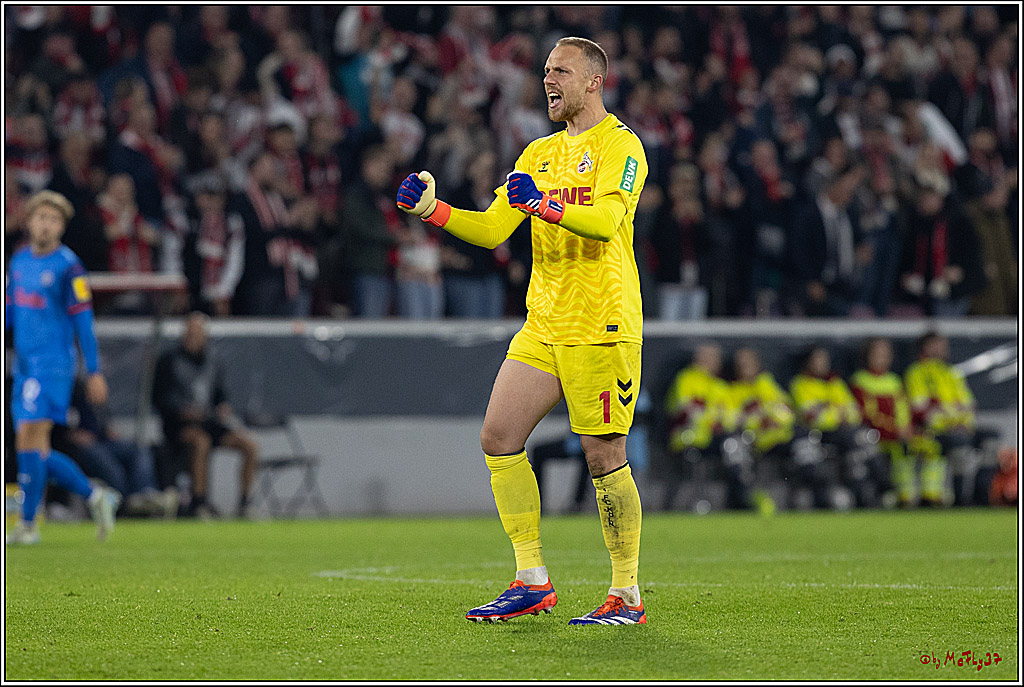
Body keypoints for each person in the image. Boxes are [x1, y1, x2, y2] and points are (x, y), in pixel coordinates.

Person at [397, 37, 649, 625]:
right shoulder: (536, 153)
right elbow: (491, 230)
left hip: (601, 323)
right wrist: (433, 211)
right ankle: (532, 579)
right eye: (544, 72)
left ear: (594, 80)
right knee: (498, 436)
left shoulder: (623, 146)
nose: (548, 80)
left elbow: (609, 220)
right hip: (545, 322)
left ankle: (626, 594)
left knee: (604, 452)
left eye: (561, 70)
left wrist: (548, 207)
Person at [5, 190, 121, 545]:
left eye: (53, 220)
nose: (46, 225)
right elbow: (11, 313)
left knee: (28, 437)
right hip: (25, 365)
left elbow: (84, 323)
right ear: (29, 221)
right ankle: (96, 496)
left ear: (61, 227)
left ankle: (27, 525)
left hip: (53, 365)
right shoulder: (19, 261)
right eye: (41, 217)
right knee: (35, 449)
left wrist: (95, 370)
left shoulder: (69, 267)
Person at [151, 312, 259, 519]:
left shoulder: (214, 360)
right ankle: (199, 502)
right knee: (201, 442)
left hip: (210, 422)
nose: (191, 337)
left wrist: (223, 407)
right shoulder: (168, 361)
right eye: (188, 333)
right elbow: (159, 399)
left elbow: (220, 395)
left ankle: (245, 503)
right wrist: (182, 411)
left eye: (196, 333)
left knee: (250, 445)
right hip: (179, 426)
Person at [61, 377, 178, 518]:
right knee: (109, 465)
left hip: (105, 442)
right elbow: (57, 429)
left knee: (138, 450)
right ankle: (124, 502)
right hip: (83, 447)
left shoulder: (97, 396)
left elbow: (103, 423)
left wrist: (109, 431)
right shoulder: (66, 392)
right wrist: (73, 435)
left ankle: (144, 494)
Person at [789, 346, 887, 508]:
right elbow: (811, 418)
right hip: (817, 435)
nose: (822, 363)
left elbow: (854, 413)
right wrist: (837, 413)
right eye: (818, 359)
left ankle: (878, 489)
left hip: (843, 435)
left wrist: (829, 411)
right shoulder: (800, 384)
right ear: (808, 362)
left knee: (863, 441)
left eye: (825, 359)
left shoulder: (835, 383)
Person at [903, 331, 985, 507]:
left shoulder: (951, 373)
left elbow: (970, 405)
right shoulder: (916, 372)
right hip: (932, 431)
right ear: (927, 346)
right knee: (960, 443)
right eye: (939, 344)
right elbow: (922, 410)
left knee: (990, 439)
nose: (944, 348)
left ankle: (984, 495)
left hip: (961, 428)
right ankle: (961, 500)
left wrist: (956, 417)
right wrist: (953, 416)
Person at [661, 343, 734, 510]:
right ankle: (680, 504)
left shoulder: (719, 385)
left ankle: (738, 499)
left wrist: (716, 418)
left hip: (713, 438)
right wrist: (714, 417)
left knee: (734, 446)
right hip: (688, 437)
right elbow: (687, 410)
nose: (712, 361)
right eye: (707, 357)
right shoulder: (686, 379)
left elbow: (731, 415)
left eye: (715, 358)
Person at [850, 337, 914, 507]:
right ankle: (880, 495)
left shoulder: (893, 381)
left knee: (909, 452)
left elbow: (902, 409)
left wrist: (905, 427)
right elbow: (867, 414)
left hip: (895, 435)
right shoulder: (861, 380)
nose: (882, 358)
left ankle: (905, 497)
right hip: (873, 433)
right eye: (877, 354)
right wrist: (894, 429)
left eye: (885, 354)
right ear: (868, 356)